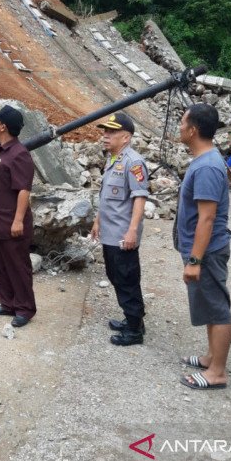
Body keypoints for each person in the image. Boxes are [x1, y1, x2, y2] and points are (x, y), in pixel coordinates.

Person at [176, 103, 231, 390]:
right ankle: (212, 357)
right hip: (203, 251)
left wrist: (195, 260)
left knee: (217, 307)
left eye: (182, 123)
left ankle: (217, 373)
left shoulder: (209, 166)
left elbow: (207, 218)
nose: (179, 127)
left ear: (193, 130)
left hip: (207, 252)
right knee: (210, 306)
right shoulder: (204, 160)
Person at [90, 113, 150, 346]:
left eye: (111, 132)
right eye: (105, 132)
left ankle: (134, 330)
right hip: (110, 232)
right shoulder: (113, 159)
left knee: (126, 279)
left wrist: (133, 230)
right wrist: (98, 221)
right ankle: (132, 319)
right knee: (116, 276)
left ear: (126, 137)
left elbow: (139, 198)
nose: (105, 136)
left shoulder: (133, 162)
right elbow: (107, 197)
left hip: (123, 235)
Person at [0, 105, 36, 328]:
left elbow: (24, 189)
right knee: (1, 264)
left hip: (12, 221)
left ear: (2, 126)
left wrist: (18, 220)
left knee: (17, 265)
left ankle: (24, 308)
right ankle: (7, 303)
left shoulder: (19, 154)